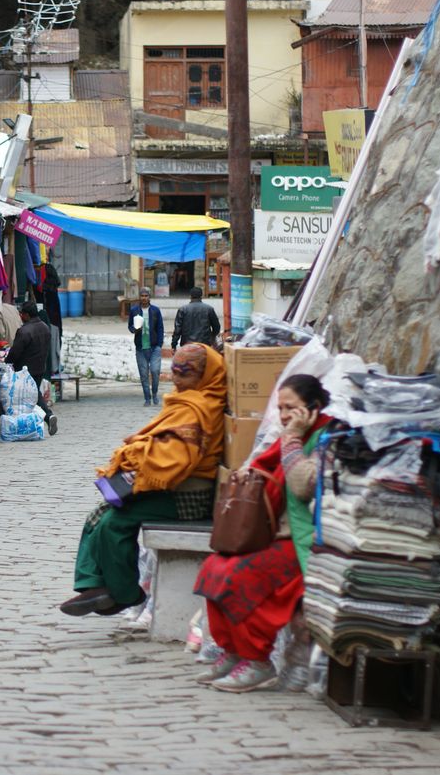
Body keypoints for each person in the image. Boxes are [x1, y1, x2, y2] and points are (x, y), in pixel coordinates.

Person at [59, 344, 225, 616]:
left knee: (114, 522)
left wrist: (138, 458)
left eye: (186, 373)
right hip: (173, 488)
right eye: (175, 371)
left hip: (187, 496)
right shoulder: (189, 400)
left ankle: (124, 593)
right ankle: (94, 584)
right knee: (97, 515)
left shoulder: (200, 407)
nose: (177, 379)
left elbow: (174, 460)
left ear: (205, 375)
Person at [193, 374, 334, 693]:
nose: (284, 415)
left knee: (240, 576)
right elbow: (263, 466)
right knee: (214, 568)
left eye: (291, 408)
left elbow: (301, 485)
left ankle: (258, 659)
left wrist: (294, 437)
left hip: (305, 540)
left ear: (313, 408)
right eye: (280, 408)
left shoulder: (325, 436)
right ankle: (234, 650)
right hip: (273, 534)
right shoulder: (289, 434)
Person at [5, 301, 57, 435]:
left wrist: (6, 360)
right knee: (34, 395)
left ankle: (45, 417)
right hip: (40, 368)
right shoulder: (45, 327)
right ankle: (46, 418)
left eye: (22, 314)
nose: (21, 316)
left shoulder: (24, 331)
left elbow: (15, 353)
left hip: (25, 371)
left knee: (30, 397)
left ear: (27, 315)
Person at [128, 287, 165, 406]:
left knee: (155, 371)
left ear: (149, 297)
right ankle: (147, 398)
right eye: (142, 296)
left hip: (154, 347)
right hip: (140, 348)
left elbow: (160, 328)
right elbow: (130, 326)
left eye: (146, 296)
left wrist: (159, 344)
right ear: (140, 297)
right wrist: (135, 329)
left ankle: (154, 393)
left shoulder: (155, 310)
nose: (144, 298)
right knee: (144, 375)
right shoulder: (134, 310)